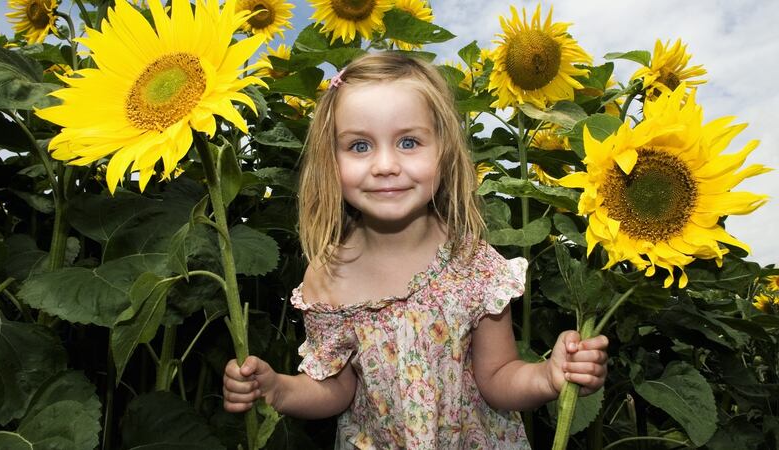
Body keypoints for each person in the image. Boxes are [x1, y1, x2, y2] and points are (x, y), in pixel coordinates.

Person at [223, 52, 608, 448]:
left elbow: (498, 379)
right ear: (329, 160)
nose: (385, 164)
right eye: (359, 146)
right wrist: (278, 389)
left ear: (444, 150)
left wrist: (549, 376)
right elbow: (336, 389)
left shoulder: (471, 262)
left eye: (408, 142)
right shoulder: (328, 275)